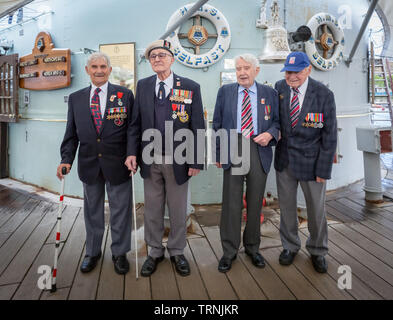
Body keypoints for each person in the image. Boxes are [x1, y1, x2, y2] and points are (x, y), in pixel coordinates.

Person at [125, 40, 205, 277]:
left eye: (162, 55)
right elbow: (135, 124)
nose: (157, 59)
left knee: (179, 209)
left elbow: (197, 125)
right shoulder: (143, 85)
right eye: (152, 57)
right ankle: (154, 252)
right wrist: (131, 153)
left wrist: (197, 160)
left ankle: (177, 251)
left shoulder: (190, 86)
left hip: (179, 159)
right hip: (149, 159)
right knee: (152, 209)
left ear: (172, 59)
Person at [57, 52, 134, 275]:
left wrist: (132, 154)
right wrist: (66, 159)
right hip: (89, 164)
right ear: (87, 70)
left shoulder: (124, 94)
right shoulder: (76, 98)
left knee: (120, 210)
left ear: (109, 70)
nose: (99, 70)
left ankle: (119, 253)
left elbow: (132, 130)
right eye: (94, 67)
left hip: (119, 164)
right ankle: (92, 251)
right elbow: (71, 133)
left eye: (103, 66)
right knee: (92, 211)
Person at [213, 53, 280, 273]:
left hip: (258, 149)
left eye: (246, 68)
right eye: (238, 68)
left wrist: (270, 134)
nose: (242, 72)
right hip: (233, 148)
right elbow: (218, 123)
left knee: (255, 201)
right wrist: (218, 152)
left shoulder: (270, 93)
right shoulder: (225, 92)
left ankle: (253, 248)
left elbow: (278, 123)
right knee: (232, 203)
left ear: (256, 70)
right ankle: (229, 251)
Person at [274, 51, 337, 273]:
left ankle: (318, 250)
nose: (292, 77)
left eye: (297, 72)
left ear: (308, 70)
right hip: (285, 161)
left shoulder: (323, 94)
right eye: (288, 72)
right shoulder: (279, 88)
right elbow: (274, 120)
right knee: (287, 208)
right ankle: (290, 246)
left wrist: (324, 169)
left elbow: (329, 136)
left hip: (312, 163)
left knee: (316, 210)